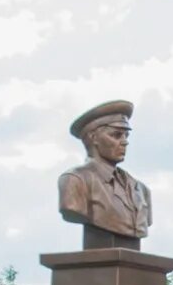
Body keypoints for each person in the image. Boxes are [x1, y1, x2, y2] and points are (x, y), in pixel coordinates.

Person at [59, 100, 152, 247]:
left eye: (126, 136)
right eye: (116, 135)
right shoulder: (75, 180)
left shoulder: (141, 189)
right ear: (93, 138)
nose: (125, 142)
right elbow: (72, 209)